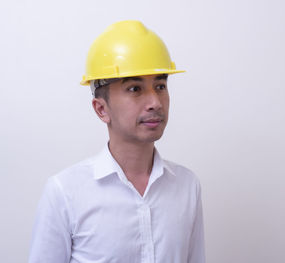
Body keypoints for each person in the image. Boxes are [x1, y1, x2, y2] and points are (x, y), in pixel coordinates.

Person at [28, 20, 205, 263]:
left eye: (160, 85)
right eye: (135, 89)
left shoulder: (186, 186)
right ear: (101, 109)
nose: (155, 101)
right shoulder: (65, 193)